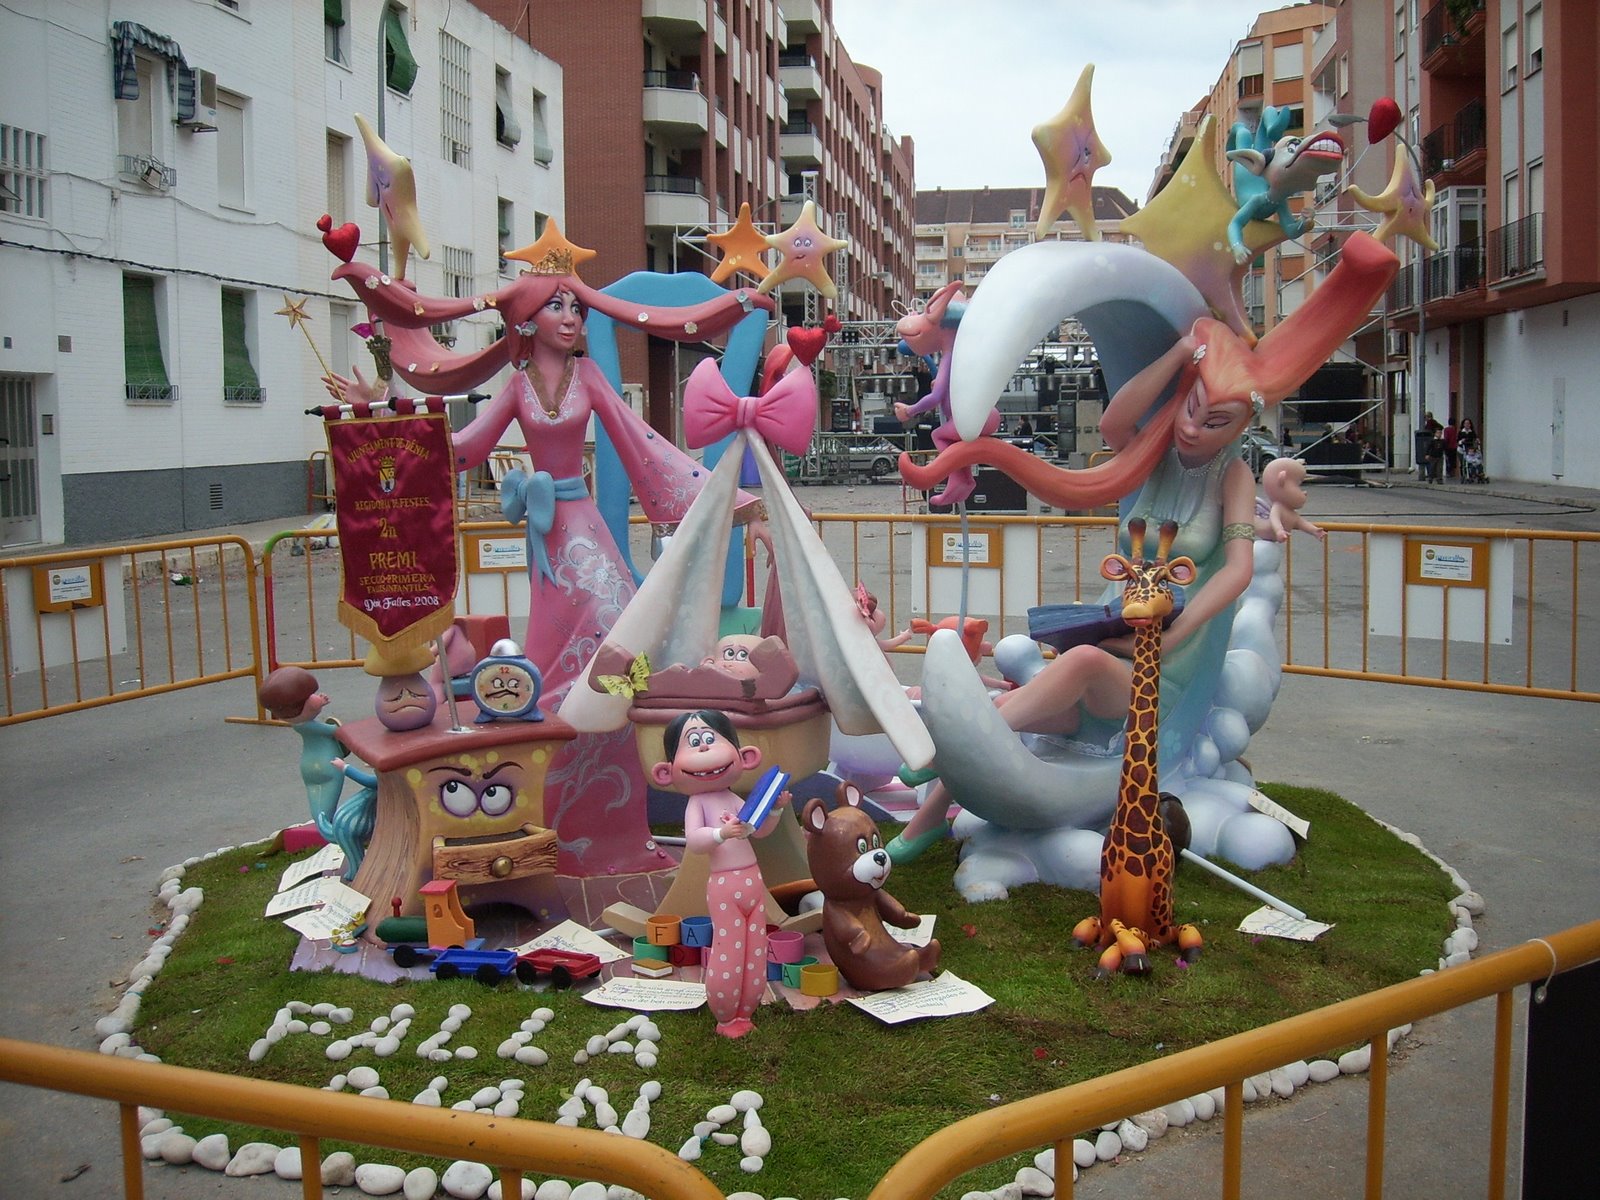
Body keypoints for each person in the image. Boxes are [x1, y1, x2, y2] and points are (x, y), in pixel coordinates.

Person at [889, 230, 1398, 862]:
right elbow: (1115, 423)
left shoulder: (1233, 478)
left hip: (1166, 671)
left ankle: (935, 754)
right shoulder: (1157, 456)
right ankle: (922, 826)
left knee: (1070, 671)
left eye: (1216, 421)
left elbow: (1237, 571)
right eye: (1192, 408)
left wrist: (1179, 636)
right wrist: (1182, 355)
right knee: (1019, 707)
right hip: (1119, 637)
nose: (1194, 427)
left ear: (1243, 424)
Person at [326, 243, 773, 877]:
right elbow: (462, 449)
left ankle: (615, 815)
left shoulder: (589, 378)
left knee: (619, 645)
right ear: (527, 319)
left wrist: (728, 500)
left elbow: (643, 445)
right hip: (549, 541)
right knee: (556, 663)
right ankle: (557, 813)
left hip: (584, 532)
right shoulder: (516, 385)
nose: (570, 318)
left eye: (575, 307)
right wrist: (381, 412)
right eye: (556, 306)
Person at [651, 709, 790, 1039]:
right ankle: (726, 1015)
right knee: (729, 950)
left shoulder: (733, 798)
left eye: (711, 739)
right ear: (666, 772)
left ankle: (747, 1009)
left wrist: (775, 809)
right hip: (725, 886)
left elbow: (757, 830)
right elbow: (695, 840)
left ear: (745, 756)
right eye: (694, 742)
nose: (703, 748)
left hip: (752, 882)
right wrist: (720, 833)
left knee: (755, 948)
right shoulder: (697, 804)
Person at [1457, 417, 1479, 482]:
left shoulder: (1472, 432)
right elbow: (1458, 441)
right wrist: (1461, 441)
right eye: (1465, 423)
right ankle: (1463, 475)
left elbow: (1475, 438)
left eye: (1468, 423)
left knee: (1470, 462)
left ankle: (1470, 475)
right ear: (1463, 424)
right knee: (1463, 463)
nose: (1467, 425)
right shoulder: (1461, 432)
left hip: (1470, 450)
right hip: (1462, 449)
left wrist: (1477, 440)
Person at [1443, 416, 1459, 482]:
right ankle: (1452, 472)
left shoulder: (1446, 429)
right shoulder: (1455, 429)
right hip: (1454, 447)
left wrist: (1444, 446)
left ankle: (1448, 472)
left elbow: (1446, 438)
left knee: (1448, 460)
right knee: (1453, 459)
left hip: (1448, 447)